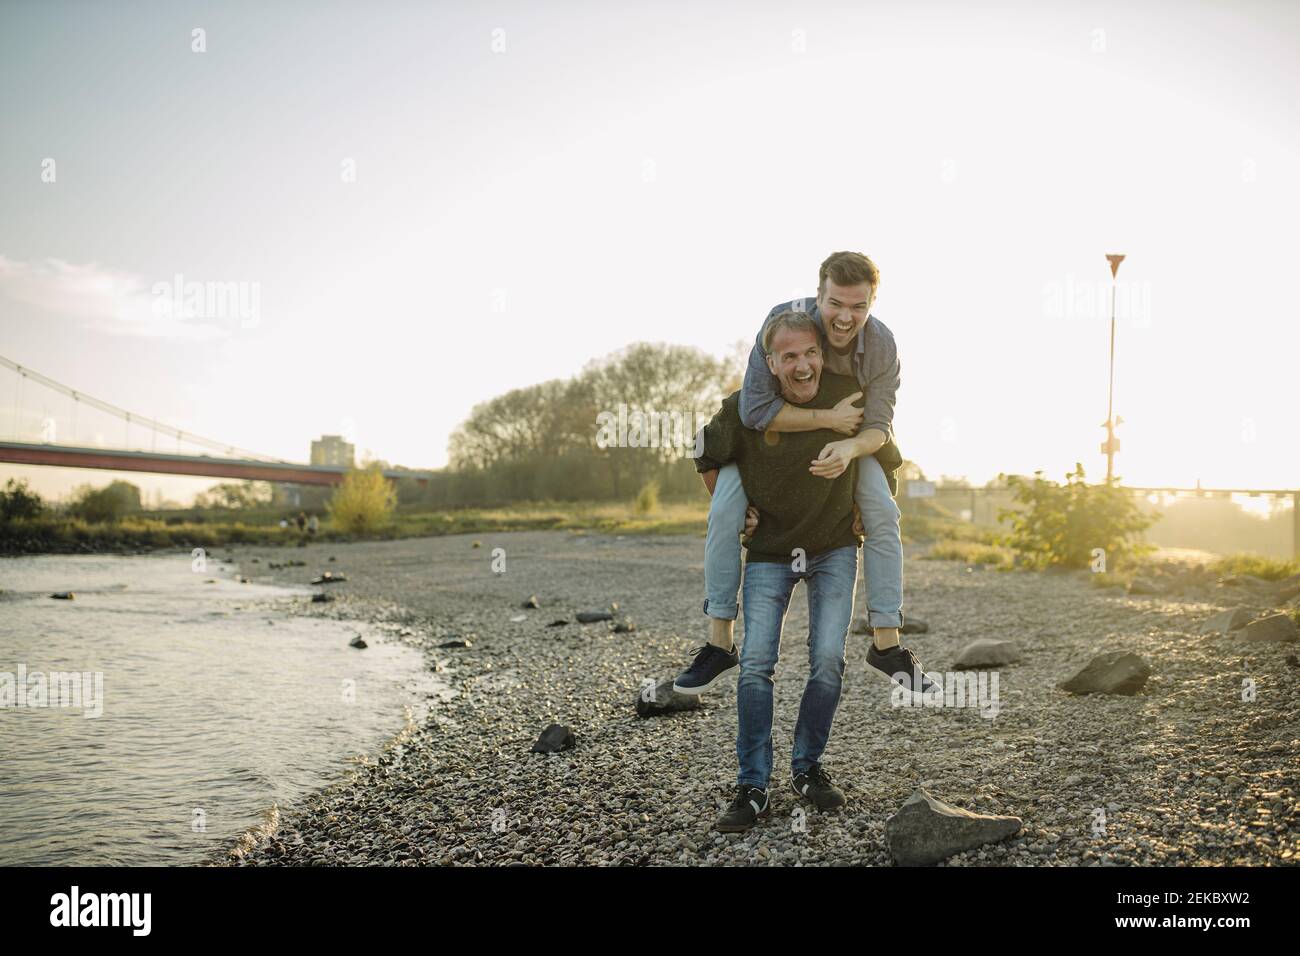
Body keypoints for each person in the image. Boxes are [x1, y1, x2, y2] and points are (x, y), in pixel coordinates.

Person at [674, 251, 937, 704]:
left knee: (881, 510)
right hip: (764, 445)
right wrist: (827, 419)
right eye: (836, 304)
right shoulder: (786, 325)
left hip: (853, 443)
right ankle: (719, 641)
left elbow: (879, 425)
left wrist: (849, 445)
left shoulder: (880, 345)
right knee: (724, 511)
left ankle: (887, 643)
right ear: (818, 297)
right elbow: (754, 410)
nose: (845, 317)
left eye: (859, 307)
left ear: (872, 303)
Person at [690, 311, 911, 832]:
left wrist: (869, 504)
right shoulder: (746, 407)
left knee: (828, 660)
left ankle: (807, 770)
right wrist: (729, 504)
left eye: (810, 352)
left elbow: (889, 454)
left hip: (835, 548)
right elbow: (703, 451)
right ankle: (752, 784)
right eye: (789, 356)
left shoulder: (848, 398)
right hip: (768, 552)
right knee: (756, 664)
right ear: (771, 363)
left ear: (821, 352)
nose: (803, 364)